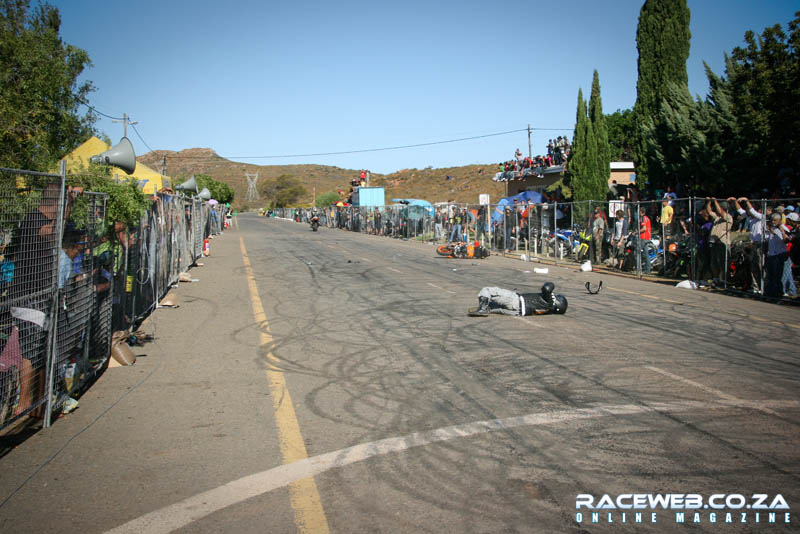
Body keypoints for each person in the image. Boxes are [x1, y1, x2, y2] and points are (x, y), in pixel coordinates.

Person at [468, 282, 567, 317]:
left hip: (516, 301)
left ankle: (482, 309)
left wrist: (552, 284)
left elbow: (547, 288)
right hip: (517, 312)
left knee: (487, 290)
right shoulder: (548, 310)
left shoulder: (550, 302)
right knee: (492, 307)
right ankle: (485, 307)